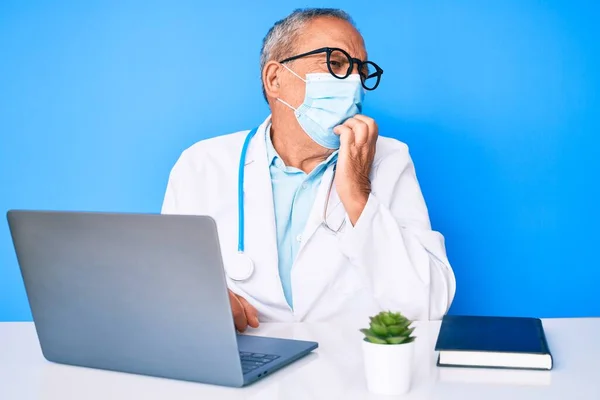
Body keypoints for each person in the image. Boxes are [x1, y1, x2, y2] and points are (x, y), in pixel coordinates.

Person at [161, 8, 456, 332]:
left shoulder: (389, 159)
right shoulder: (202, 165)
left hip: (353, 371)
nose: (355, 82)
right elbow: (169, 289)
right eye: (336, 63)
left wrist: (358, 195)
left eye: (360, 70)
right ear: (275, 79)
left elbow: (428, 304)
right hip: (242, 361)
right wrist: (204, 301)